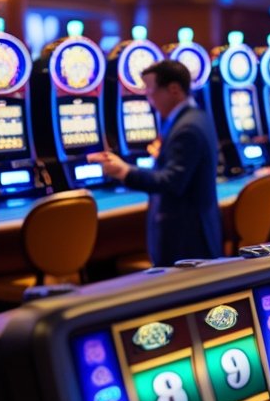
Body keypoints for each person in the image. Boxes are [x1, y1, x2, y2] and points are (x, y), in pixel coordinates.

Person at [89, 59, 221, 266]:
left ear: (174, 89)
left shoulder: (187, 128)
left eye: (151, 91)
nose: (148, 98)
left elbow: (171, 181)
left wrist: (124, 172)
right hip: (194, 232)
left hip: (186, 239)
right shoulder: (197, 117)